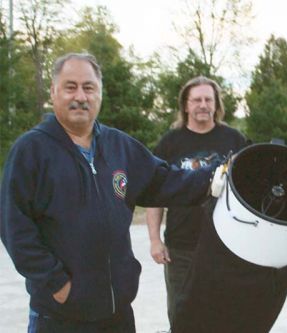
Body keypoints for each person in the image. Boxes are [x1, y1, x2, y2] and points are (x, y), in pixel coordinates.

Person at [0, 53, 215, 333]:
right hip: (59, 317)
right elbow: (14, 225)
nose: (81, 96)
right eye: (70, 86)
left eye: (89, 88)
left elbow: (165, 181)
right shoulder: (31, 151)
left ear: (99, 94)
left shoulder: (119, 146)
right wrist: (57, 284)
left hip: (117, 315)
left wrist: (216, 177)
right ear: (53, 91)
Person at [145, 76, 247, 328]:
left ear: (216, 104)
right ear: (186, 105)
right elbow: (154, 196)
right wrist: (155, 240)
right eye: (197, 100)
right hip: (181, 247)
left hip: (225, 245)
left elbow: (248, 191)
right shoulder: (170, 143)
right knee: (182, 317)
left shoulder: (234, 140)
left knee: (224, 318)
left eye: (208, 99)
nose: (203, 105)